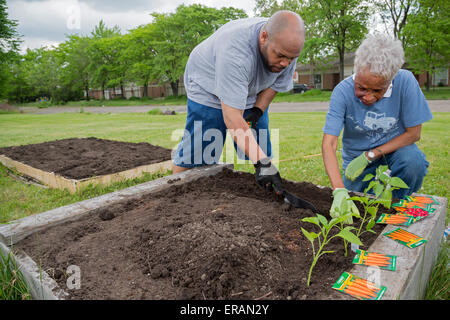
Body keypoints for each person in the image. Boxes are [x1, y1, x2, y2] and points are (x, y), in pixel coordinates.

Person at [172, 11, 305, 190]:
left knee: (259, 143)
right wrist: (262, 164)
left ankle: (267, 189)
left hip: (249, 87)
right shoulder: (235, 52)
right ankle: (173, 190)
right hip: (207, 85)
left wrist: (258, 110)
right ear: (264, 37)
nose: (285, 64)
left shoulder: (287, 48)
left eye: (291, 59)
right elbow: (232, 117)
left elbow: (276, 84)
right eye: (281, 56)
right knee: (202, 148)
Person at [322, 34, 432, 219]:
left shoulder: (405, 82)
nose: (369, 97)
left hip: (395, 151)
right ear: (356, 73)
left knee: (414, 163)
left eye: (378, 90)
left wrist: (372, 154)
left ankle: (395, 208)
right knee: (355, 207)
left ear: (391, 80)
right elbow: (329, 144)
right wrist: (339, 190)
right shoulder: (341, 92)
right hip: (356, 159)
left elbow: (414, 134)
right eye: (362, 88)